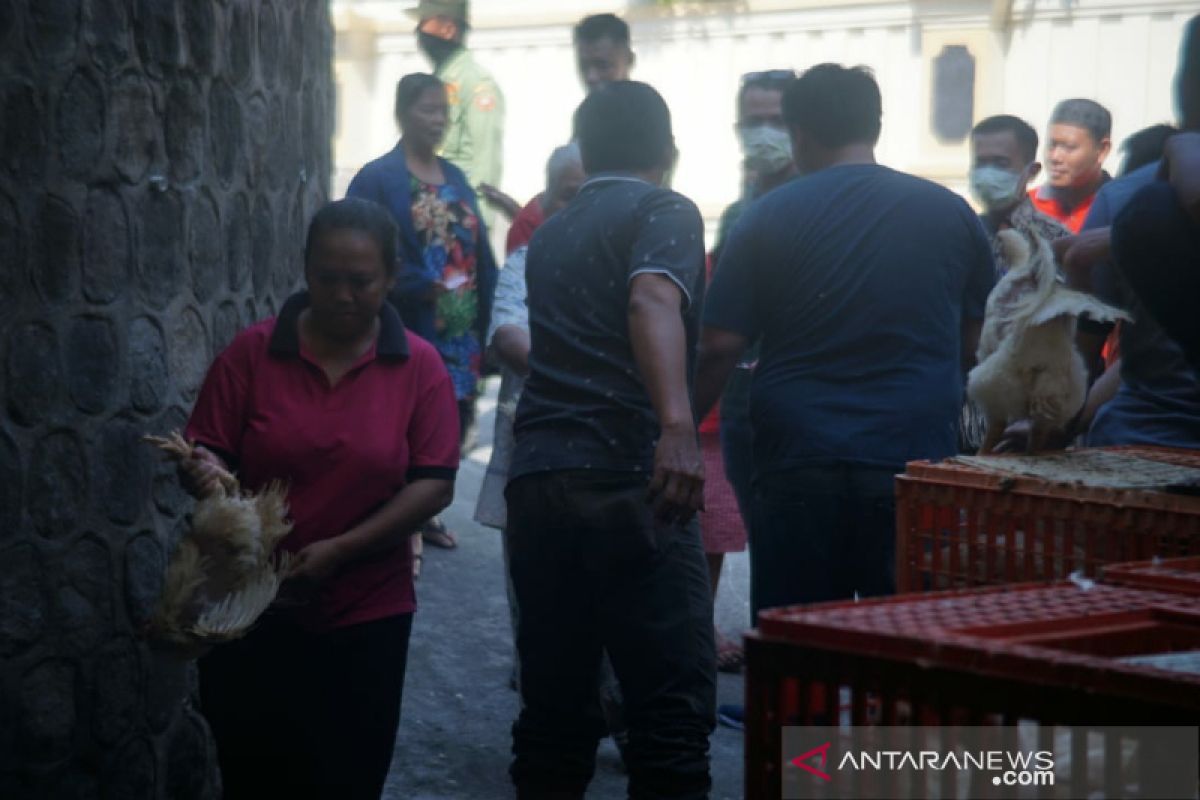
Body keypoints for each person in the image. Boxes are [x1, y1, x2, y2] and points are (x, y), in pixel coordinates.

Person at [183, 198, 460, 800]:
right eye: (327, 279)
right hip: (252, 611)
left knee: (347, 779)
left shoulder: (420, 367)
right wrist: (204, 471)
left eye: (360, 282)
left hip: (368, 614)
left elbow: (434, 481)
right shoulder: (252, 354)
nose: (342, 295)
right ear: (305, 271)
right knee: (256, 779)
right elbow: (207, 449)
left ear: (388, 278)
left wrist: (344, 548)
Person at [694, 63, 994, 616]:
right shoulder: (953, 214)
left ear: (799, 133)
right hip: (914, 461)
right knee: (903, 638)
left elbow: (718, 346)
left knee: (802, 641)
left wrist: (676, 430)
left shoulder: (763, 218)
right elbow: (977, 345)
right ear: (874, 125)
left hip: (799, 458)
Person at [506, 81, 716, 799]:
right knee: (670, 720)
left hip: (537, 486)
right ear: (668, 152)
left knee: (555, 712)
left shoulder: (553, 230)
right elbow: (650, 297)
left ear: (586, 152)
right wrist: (678, 429)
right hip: (629, 483)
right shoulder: (666, 209)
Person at [347, 72, 497, 552]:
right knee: (401, 422)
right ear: (402, 113)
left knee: (448, 424)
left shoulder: (454, 177)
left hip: (460, 328)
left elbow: (479, 249)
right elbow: (356, 249)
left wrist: (490, 315)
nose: (438, 120)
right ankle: (395, 517)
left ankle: (425, 512)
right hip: (410, 323)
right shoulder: (377, 178)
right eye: (428, 110)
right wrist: (416, 286)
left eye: (443, 112)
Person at [1054, 14, 1200, 450]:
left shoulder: (1135, 201)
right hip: (1140, 435)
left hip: (1144, 439)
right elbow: (1133, 348)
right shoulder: (1128, 201)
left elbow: (1088, 350)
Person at [490, 13, 637, 256]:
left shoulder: (645, 118)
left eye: (602, 65)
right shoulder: (586, 115)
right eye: (584, 66)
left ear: (629, 59)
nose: (591, 77)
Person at [409, 0, 504, 224]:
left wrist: (476, 224)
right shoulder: (439, 81)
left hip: (460, 217)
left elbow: (485, 160)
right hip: (432, 211)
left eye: (424, 23)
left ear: (448, 29)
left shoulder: (476, 84)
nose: (418, 31)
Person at [968, 114, 1072, 275]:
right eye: (980, 163)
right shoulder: (965, 232)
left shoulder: (1054, 237)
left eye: (1000, 163)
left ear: (1032, 171)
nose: (987, 174)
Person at [1028, 98, 1112, 232]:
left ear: (1102, 150)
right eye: (1051, 145)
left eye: (1069, 147)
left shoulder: (1122, 207)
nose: (1055, 157)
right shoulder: (1026, 206)